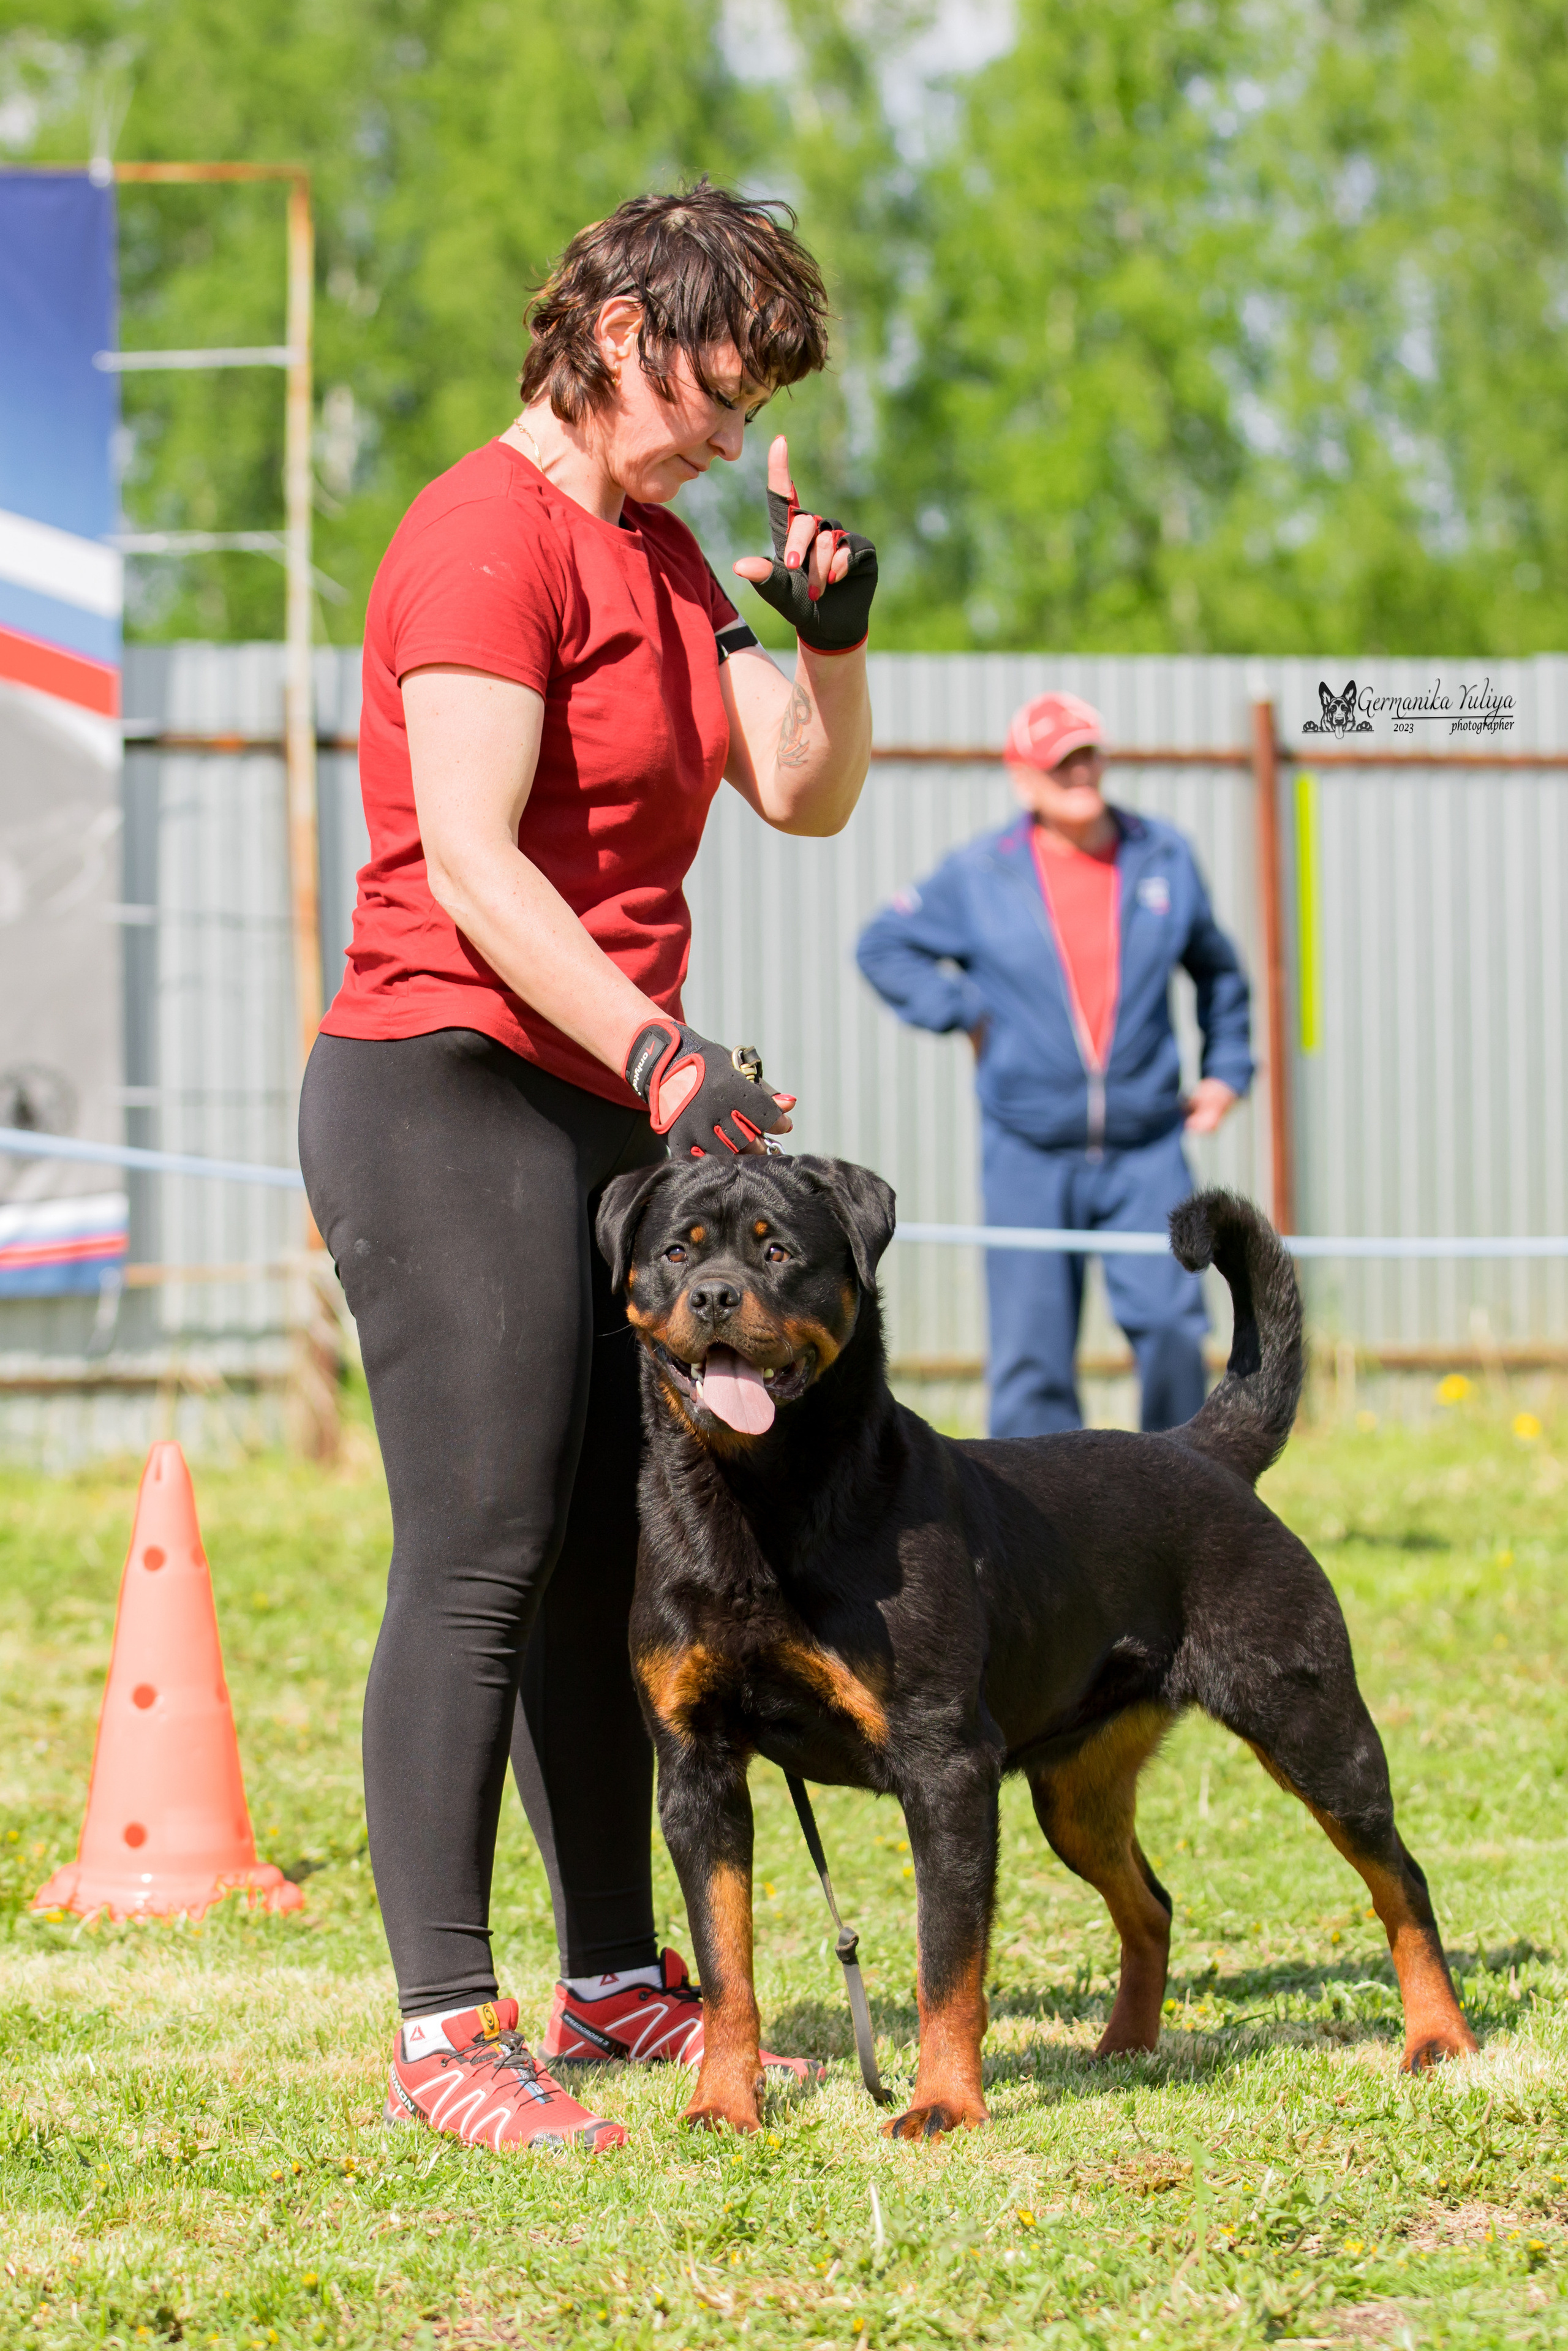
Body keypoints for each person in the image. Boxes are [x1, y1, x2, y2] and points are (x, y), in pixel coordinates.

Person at [299, 182, 878, 2154]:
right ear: (626, 328)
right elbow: (473, 857)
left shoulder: (668, 550)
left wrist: (834, 636)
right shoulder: (483, 538)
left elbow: (796, 790)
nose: (736, 422)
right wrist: (661, 1052)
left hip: (599, 1097)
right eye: (726, 377)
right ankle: (444, 2029)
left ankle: (620, 1981)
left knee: (610, 1552)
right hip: (442, 1079)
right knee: (479, 1551)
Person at [856, 690, 1251, 1439]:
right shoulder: (980, 873)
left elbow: (1219, 971)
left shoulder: (1160, 856)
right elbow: (883, 945)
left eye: (1088, 754)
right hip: (1027, 1149)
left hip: (1146, 1149)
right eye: (1059, 761)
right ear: (1022, 775)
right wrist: (964, 1011)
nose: (1079, 773)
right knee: (1032, 1362)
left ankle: (1183, 1503)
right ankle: (1036, 1539)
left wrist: (1227, 1067)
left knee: (1172, 1326)